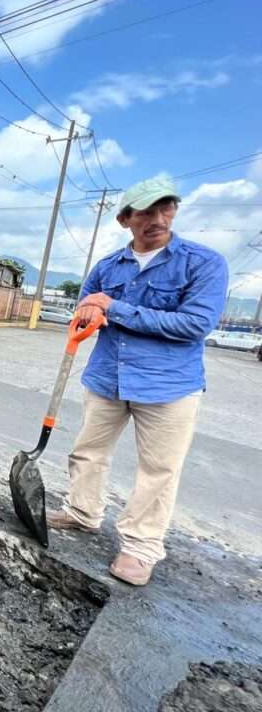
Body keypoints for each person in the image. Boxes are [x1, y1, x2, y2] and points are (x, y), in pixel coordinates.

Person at [48, 178, 227, 586]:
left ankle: (141, 547)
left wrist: (115, 308)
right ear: (125, 218)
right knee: (88, 451)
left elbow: (195, 324)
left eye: (166, 209)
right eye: (146, 212)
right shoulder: (108, 266)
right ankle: (82, 512)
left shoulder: (203, 263)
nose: (158, 219)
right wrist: (88, 313)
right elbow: (87, 303)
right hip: (106, 375)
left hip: (168, 385)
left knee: (159, 470)